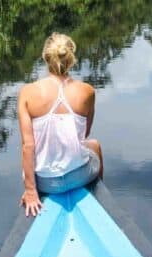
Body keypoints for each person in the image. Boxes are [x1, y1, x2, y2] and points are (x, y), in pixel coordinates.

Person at [17, 32, 104, 217]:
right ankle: (99, 196)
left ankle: (31, 189)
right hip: (79, 176)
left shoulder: (27, 92)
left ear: (45, 57)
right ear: (72, 58)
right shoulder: (87, 91)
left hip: (45, 184)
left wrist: (31, 191)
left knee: (28, 150)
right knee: (94, 146)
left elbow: (28, 146)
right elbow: (84, 134)